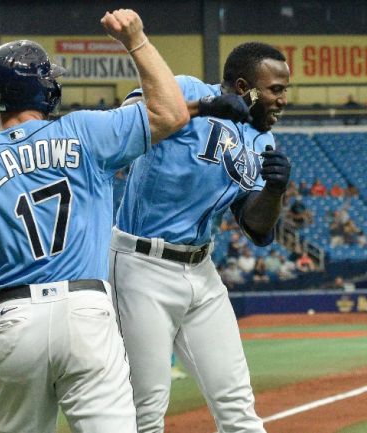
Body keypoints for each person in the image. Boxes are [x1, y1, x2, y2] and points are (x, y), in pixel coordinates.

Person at [0, 9, 248, 433]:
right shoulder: (83, 132)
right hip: (85, 308)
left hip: (15, 316)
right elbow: (170, 113)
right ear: (44, 90)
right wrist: (136, 40)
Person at [111, 41, 291, 433]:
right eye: (275, 89)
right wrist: (202, 109)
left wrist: (275, 191)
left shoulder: (261, 140)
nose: (282, 99)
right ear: (245, 87)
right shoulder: (191, 90)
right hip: (142, 264)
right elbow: (125, 122)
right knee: (146, 410)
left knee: (238, 405)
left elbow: (257, 229)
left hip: (201, 269)